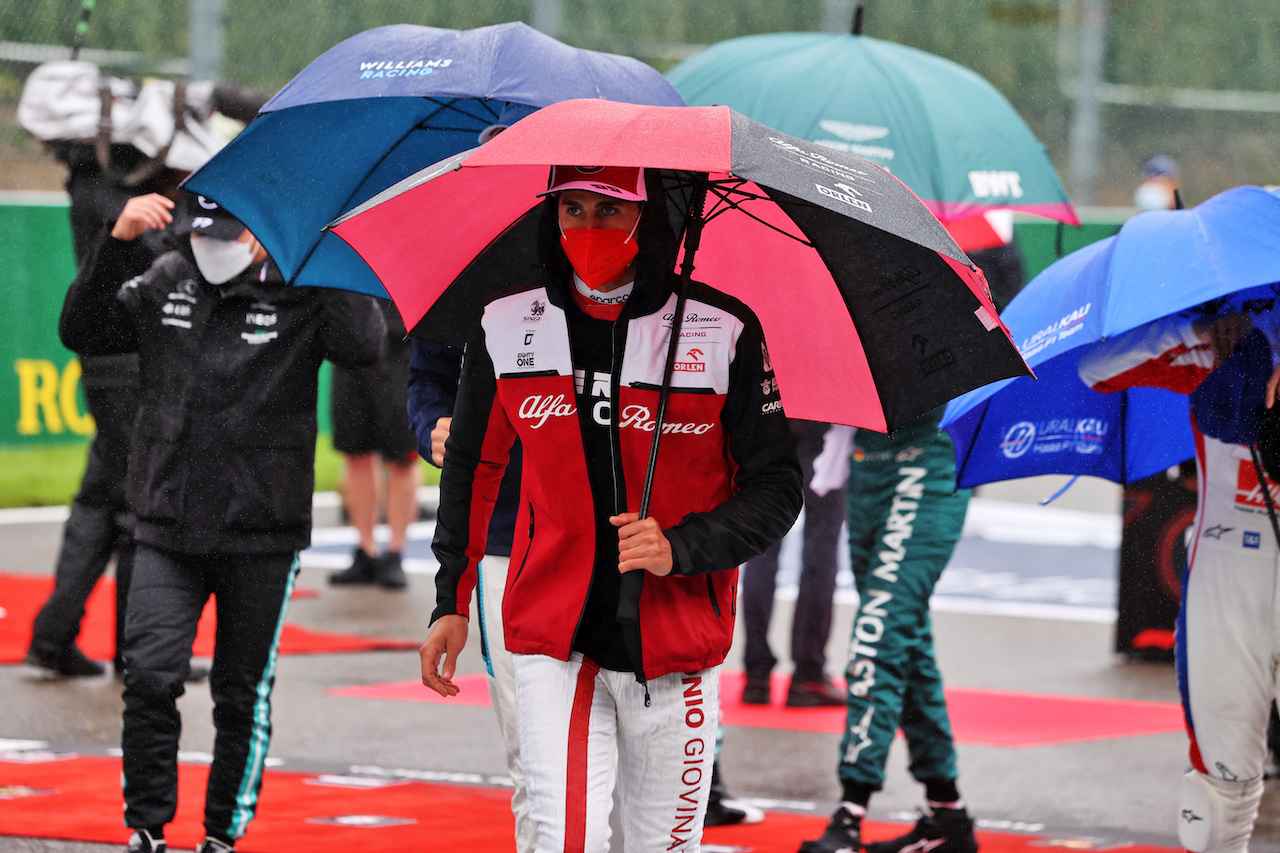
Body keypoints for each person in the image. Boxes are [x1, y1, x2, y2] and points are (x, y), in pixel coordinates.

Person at [419, 165, 803, 851]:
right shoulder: (505, 323)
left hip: (679, 640)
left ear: (648, 217)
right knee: (563, 841)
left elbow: (778, 487)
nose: (588, 229)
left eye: (609, 209)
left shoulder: (723, 328)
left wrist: (681, 545)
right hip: (552, 640)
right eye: (573, 209)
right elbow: (473, 470)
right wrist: (451, 596)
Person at [59, 192, 384, 853]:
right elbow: (84, 331)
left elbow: (364, 344)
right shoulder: (165, 276)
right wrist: (115, 244)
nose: (213, 243)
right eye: (202, 230)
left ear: (260, 235)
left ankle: (221, 834)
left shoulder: (303, 285)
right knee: (149, 674)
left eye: (229, 232)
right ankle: (146, 826)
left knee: (240, 693)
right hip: (164, 520)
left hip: (262, 530)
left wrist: (329, 255)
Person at [1078, 300, 1280, 853]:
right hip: (1229, 576)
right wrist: (1199, 330)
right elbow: (1097, 367)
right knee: (1219, 787)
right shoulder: (1230, 338)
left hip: (1231, 571)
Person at [24, 166, 186, 679]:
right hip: (134, 373)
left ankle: (55, 634)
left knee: (101, 500)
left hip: (110, 369)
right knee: (139, 507)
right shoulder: (144, 203)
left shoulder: (91, 179)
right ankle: (134, 649)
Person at [741, 418, 847, 707]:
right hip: (825, 419)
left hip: (773, 417)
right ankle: (808, 673)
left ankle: (756, 674)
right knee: (821, 546)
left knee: (763, 544)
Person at [327, 300, 419, 590]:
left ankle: (395, 551)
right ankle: (366, 549)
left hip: (401, 346)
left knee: (403, 457)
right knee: (356, 454)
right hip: (351, 346)